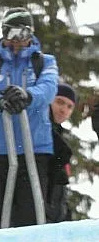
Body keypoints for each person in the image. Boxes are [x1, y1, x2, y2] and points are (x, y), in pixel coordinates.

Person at [0, 7, 58, 228]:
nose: (18, 41)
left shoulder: (45, 62)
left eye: (23, 34)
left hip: (34, 146)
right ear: (3, 34)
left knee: (30, 213)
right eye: (12, 34)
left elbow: (48, 88)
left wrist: (28, 96)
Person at [46, 83, 77, 222]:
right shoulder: (41, 133)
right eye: (60, 102)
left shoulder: (61, 139)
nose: (64, 110)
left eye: (70, 107)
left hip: (55, 218)